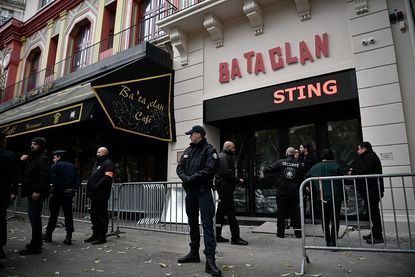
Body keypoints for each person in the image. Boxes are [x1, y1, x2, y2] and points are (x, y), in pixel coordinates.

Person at [176, 125, 221, 277]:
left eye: (192, 134)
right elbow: (179, 168)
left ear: (199, 135)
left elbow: (210, 169)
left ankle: (210, 260)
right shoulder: (188, 150)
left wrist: (191, 179)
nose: (189, 136)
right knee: (192, 223)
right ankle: (194, 253)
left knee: (207, 225)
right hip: (191, 192)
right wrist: (185, 178)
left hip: (203, 192)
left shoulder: (210, 150)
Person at [19, 137, 51, 255]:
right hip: (31, 192)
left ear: (40, 146)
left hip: (35, 193)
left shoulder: (42, 158)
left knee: (35, 218)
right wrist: (23, 161)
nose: (32, 146)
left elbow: (44, 176)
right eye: (32, 144)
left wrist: (37, 191)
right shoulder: (33, 158)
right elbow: (25, 173)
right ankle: (37, 242)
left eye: (35, 144)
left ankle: (36, 245)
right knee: (34, 217)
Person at [305, 149, 344, 246]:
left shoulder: (315, 168)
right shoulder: (336, 166)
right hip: (336, 196)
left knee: (325, 219)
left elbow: (306, 178)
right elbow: (343, 178)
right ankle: (334, 241)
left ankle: (328, 240)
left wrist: (310, 188)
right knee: (335, 219)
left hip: (322, 196)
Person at [264, 147, 304, 238]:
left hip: (282, 191)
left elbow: (267, 169)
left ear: (286, 153)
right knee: (296, 212)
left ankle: (280, 233)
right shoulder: (299, 164)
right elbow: (303, 175)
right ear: (294, 154)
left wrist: (275, 178)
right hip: (294, 192)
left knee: (281, 212)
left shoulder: (280, 162)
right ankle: (298, 233)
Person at [348, 142, 384, 244]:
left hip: (372, 190)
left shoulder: (371, 157)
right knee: (372, 212)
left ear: (364, 149)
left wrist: (353, 172)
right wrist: (353, 170)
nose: (357, 151)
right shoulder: (366, 158)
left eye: (359, 149)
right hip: (368, 189)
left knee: (374, 212)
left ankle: (378, 235)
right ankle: (375, 232)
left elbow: (363, 171)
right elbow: (359, 168)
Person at [43, 150, 80, 245]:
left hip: (58, 193)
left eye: (55, 157)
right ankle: (69, 236)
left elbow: (54, 180)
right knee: (68, 215)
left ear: (59, 157)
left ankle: (48, 235)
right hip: (69, 193)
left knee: (53, 215)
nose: (53, 159)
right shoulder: (73, 166)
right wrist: (73, 189)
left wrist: (61, 189)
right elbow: (77, 180)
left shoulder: (55, 166)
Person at [215, 141, 248, 245]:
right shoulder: (224, 157)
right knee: (230, 212)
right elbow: (226, 173)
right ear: (228, 147)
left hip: (223, 187)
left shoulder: (224, 156)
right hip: (225, 188)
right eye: (233, 148)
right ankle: (235, 237)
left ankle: (217, 235)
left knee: (220, 212)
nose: (234, 150)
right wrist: (238, 180)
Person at [85, 147, 114, 245]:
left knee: (101, 216)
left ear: (105, 153)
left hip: (102, 194)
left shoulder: (108, 163)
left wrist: (96, 186)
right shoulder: (97, 163)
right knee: (94, 215)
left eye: (99, 152)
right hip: (94, 194)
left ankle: (102, 237)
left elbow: (107, 177)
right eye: (97, 151)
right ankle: (95, 234)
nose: (97, 153)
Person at [0, 133, 18, 260]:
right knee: (1, 220)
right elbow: (15, 176)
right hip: (3, 192)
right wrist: (13, 191)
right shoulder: (10, 156)